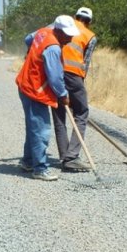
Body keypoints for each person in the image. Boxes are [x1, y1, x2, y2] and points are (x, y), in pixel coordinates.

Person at [16, 15, 78, 181]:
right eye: (67, 34)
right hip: (34, 90)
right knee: (41, 130)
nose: (70, 38)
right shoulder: (53, 48)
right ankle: (40, 169)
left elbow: (27, 38)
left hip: (26, 84)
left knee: (33, 127)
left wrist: (31, 52)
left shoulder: (42, 32)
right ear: (57, 31)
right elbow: (55, 77)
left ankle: (28, 161)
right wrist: (63, 95)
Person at [53, 7, 98, 172]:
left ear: (75, 17)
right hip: (74, 76)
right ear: (89, 21)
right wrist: (78, 91)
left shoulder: (62, 27)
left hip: (56, 72)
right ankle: (71, 157)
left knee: (59, 114)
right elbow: (85, 62)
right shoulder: (90, 36)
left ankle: (64, 155)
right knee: (81, 112)